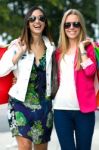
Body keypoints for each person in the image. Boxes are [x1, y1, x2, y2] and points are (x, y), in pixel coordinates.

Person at [0, 6, 55, 150]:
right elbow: (1, 70)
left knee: (41, 148)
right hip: (19, 103)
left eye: (41, 18)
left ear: (45, 23)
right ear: (27, 23)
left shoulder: (51, 47)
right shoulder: (17, 44)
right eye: (33, 18)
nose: (37, 21)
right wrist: (18, 54)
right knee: (24, 146)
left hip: (44, 105)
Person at [52, 9, 97, 150]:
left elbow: (90, 72)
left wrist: (82, 49)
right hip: (61, 109)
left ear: (81, 26)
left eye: (76, 24)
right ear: (63, 27)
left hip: (84, 110)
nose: (71, 27)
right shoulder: (58, 52)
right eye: (68, 24)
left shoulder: (90, 48)